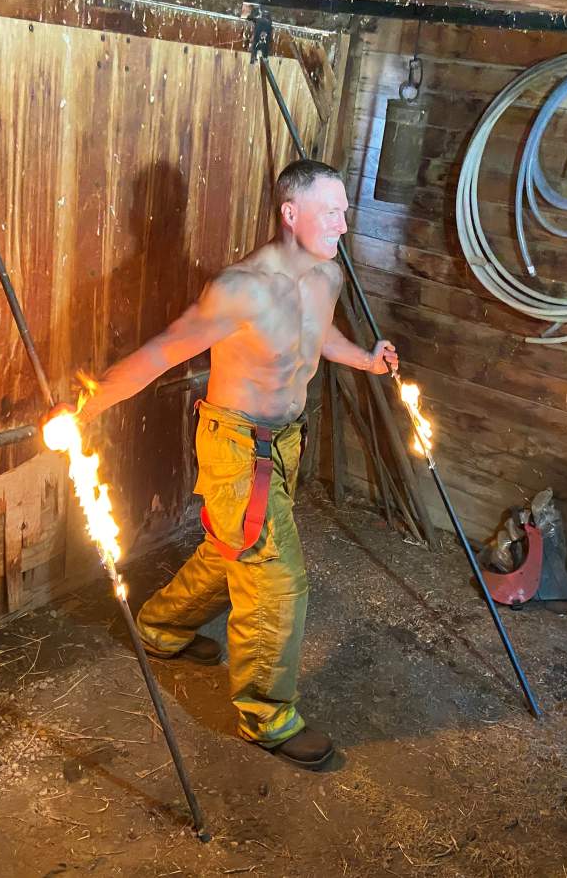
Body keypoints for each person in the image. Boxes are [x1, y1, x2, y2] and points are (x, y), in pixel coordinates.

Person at [50, 160, 398, 770]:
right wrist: (85, 404)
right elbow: (162, 351)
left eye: (345, 211)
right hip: (238, 447)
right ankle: (267, 715)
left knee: (235, 545)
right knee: (276, 580)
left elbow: (318, 337)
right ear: (290, 214)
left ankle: (160, 627)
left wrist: (366, 359)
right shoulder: (241, 289)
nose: (345, 225)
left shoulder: (327, 276)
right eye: (332, 212)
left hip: (287, 440)